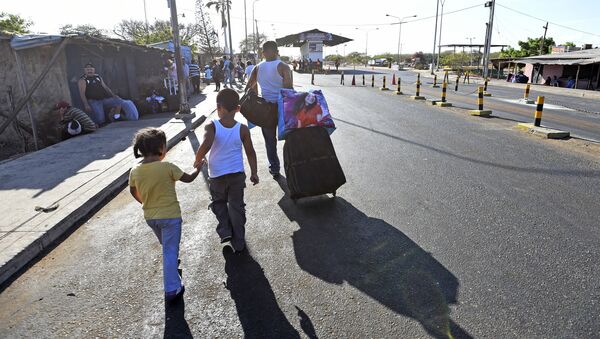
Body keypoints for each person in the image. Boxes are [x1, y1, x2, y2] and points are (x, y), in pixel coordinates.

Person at [129, 128, 201, 303]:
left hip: (151, 217)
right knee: (169, 249)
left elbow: (133, 191)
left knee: (166, 245)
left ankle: (173, 264)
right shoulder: (167, 167)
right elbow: (189, 178)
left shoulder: (135, 170)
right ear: (161, 147)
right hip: (170, 216)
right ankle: (172, 288)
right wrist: (198, 167)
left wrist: (145, 202)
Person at [192, 89, 259, 252]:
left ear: (218, 107)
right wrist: (254, 172)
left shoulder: (212, 125)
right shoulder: (242, 129)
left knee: (219, 204)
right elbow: (250, 152)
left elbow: (206, 145)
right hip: (237, 175)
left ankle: (225, 231)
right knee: (237, 207)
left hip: (217, 176)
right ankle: (239, 241)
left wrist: (197, 159)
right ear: (237, 108)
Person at [245, 41, 293, 178]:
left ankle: (275, 168)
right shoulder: (284, 67)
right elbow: (288, 90)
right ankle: (292, 165)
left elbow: (249, 88)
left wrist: (258, 98)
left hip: (266, 110)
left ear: (263, 53)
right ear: (277, 51)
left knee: (270, 141)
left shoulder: (257, 68)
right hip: (283, 108)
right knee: (290, 139)